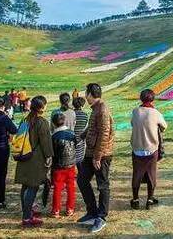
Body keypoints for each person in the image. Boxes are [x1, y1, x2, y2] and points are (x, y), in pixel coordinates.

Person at [76, 83, 115, 234]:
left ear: (92, 94)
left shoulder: (102, 110)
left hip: (102, 154)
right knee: (82, 180)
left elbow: (104, 134)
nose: (85, 96)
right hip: (91, 152)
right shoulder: (95, 109)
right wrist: (82, 136)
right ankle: (92, 211)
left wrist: (98, 157)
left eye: (86, 93)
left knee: (102, 185)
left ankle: (102, 217)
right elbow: (93, 128)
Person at [15, 96, 53, 227]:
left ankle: (27, 210)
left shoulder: (25, 120)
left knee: (25, 186)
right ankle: (26, 217)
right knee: (33, 187)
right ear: (42, 107)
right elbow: (46, 142)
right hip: (35, 159)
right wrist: (49, 156)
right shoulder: (41, 122)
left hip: (23, 156)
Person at [130, 89, 167, 210]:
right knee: (151, 174)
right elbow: (164, 126)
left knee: (137, 174)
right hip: (151, 149)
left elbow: (132, 124)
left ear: (141, 98)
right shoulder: (155, 112)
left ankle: (135, 200)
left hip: (137, 149)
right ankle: (149, 199)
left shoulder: (135, 111)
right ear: (152, 99)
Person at [50, 111, 77, 218]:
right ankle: (70, 209)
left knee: (57, 187)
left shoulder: (54, 136)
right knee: (71, 187)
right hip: (71, 164)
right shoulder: (72, 133)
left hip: (58, 166)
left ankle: (56, 210)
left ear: (53, 123)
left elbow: (52, 152)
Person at [72, 97, 89, 166]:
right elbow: (86, 128)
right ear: (82, 105)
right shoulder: (85, 115)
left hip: (71, 140)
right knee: (80, 161)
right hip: (81, 140)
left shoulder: (71, 114)